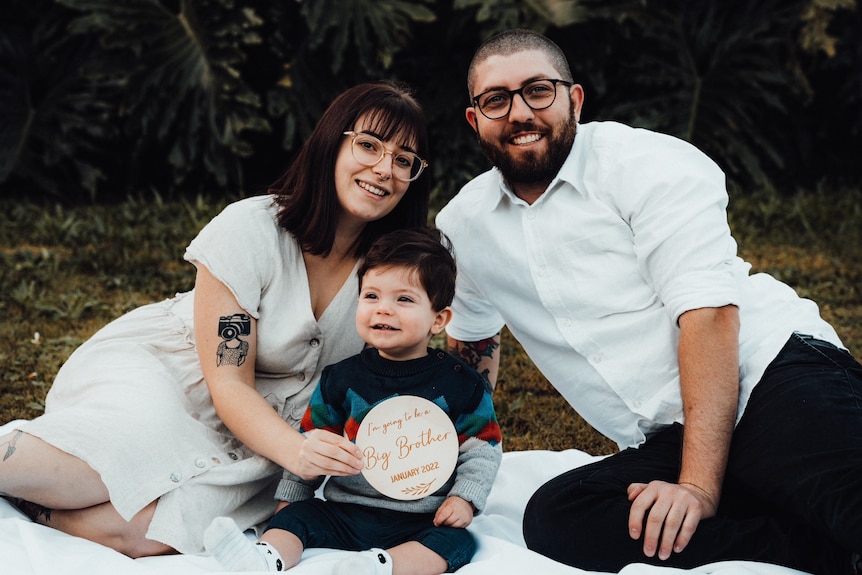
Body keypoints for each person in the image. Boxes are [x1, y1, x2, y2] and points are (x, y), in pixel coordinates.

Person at [435, 28, 862, 574]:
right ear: (476, 119)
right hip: (670, 432)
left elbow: (708, 315)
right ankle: (821, 552)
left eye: (538, 90)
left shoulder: (647, 164)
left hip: (769, 378)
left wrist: (697, 488)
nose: (520, 112)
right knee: (559, 517)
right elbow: (472, 339)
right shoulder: (464, 226)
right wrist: (441, 461)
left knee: (851, 502)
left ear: (574, 98)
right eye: (496, 99)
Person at [0, 81, 432, 557]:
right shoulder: (252, 228)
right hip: (177, 373)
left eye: (403, 159)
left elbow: (412, 365)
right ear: (333, 144)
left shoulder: (394, 272)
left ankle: (31, 502)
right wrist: (296, 452)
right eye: (368, 145)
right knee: (110, 463)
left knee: (147, 534)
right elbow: (227, 381)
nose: (383, 169)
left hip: (267, 433)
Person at [202, 226, 503, 575]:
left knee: (457, 542)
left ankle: (380, 567)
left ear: (439, 319)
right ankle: (263, 559)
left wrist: (463, 499)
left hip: (422, 517)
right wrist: (291, 500)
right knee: (294, 520)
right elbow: (312, 442)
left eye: (403, 299)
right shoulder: (341, 379)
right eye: (371, 296)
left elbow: (482, 448)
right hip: (345, 510)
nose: (384, 310)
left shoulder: (460, 384)